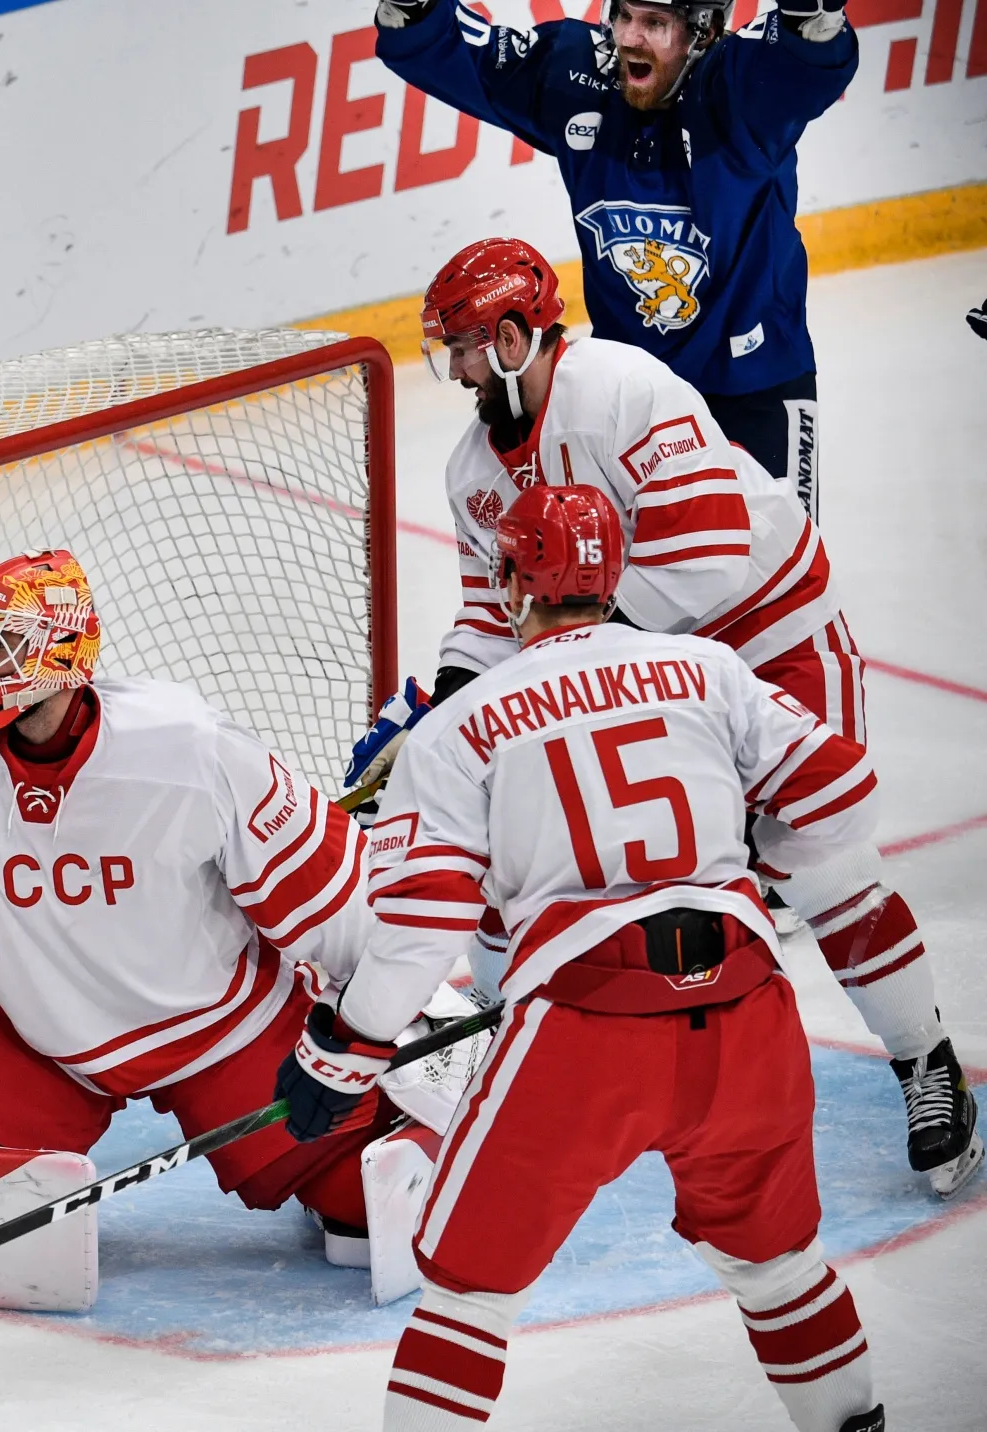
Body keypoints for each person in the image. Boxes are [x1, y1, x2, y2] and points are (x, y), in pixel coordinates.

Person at [353, 236, 978, 1196]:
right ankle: (516, 1070)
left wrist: (578, 661)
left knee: (819, 856)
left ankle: (925, 1061)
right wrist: (438, 709)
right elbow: (493, 612)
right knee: (559, 854)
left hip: (770, 638)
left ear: (517, 337)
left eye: (470, 346)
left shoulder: (619, 387)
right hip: (643, 665)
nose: (459, 368)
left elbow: (712, 555)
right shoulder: (473, 466)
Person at [285, 484, 887, 1432]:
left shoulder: (460, 722)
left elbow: (424, 923)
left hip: (586, 1032)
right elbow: (841, 793)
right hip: (748, 1012)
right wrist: (743, 863)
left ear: (517, 580)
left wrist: (345, 1046)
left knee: (470, 1294)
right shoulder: (709, 670)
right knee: (778, 1266)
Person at [0, 548, 461, 1287]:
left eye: (1, 638)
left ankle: (452, 1113)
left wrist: (386, 1026)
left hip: (217, 1025)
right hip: (35, 1036)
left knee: (364, 1212)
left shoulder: (189, 750)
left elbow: (337, 899)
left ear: (62, 648)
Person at [373, 0, 854, 519]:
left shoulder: (738, 90)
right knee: (613, 584)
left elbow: (801, 55)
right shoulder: (578, 79)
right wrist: (414, 9)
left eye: (654, 23)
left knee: (782, 578)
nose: (628, 37)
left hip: (754, 389)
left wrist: (811, 18)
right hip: (629, 397)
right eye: (624, 15)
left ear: (705, 31)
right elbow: (472, 55)